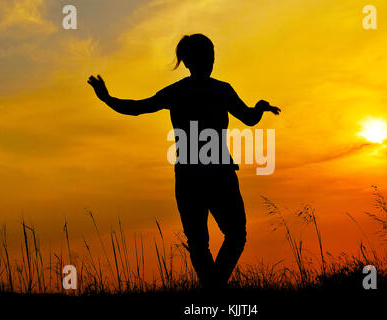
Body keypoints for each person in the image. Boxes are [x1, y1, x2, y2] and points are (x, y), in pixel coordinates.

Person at [87, 33, 280, 289]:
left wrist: (258, 107)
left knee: (214, 240)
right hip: (207, 175)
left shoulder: (207, 91)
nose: (208, 62)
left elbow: (248, 117)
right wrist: (107, 99)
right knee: (218, 239)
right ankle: (214, 291)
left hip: (201, 175)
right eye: (202, 58)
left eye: (210, 57)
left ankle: (212, 290)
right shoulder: (209, 90)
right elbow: (138, 107)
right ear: (188, 62)